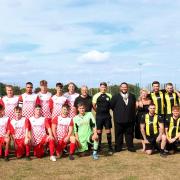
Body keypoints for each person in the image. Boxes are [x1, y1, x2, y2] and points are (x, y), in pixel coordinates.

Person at [111, 82, 136, 152]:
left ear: (127, 88)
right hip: (118, 119)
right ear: (120, 88)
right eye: (123, 87)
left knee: (129, 134)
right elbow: (112, 106)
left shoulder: (132, 96)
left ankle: (130, 147)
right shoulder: (115, 96)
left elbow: (134, 107)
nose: (124, 88)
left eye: (125, 87)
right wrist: (119, 112)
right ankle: (118, 147)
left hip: (130, 119)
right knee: (119, 134)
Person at [92, 82, 113, 154]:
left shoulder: (109, 95)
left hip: (107, 116)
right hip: (99, 116)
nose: (103, 88)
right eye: (102, 87)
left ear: (106, 88)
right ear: (99, 88)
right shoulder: (96, 95)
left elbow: (111, 105)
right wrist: (98, 111)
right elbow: (94, 105)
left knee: (108, 131)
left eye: (104, 87)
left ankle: (110, 147)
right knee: (99, 132)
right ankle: (99, 146)